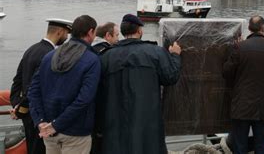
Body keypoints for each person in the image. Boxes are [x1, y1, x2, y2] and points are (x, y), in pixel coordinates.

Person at [98, 14, 181, 154]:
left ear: (123, 32)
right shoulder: (156, 52)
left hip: (115, 122)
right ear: (140, 31)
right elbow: (171, 77)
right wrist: (175, 56)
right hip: (147, 121)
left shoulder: (105, 56)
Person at [28, 15, 100, 154]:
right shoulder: (92, 60)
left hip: (48, 130)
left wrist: (40, 121)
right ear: (91, 32)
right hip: (75, 132)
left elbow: (33, 91)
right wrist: (57, 125)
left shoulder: (49, 56)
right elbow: (84, 99)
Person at [10, 18, 72, 154]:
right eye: (67, 34)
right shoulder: (50, 55)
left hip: (26, 114)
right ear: (60, 32)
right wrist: (22, 107)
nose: (67, 38)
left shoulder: (31, 49)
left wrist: (16, 105)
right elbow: (35, 86)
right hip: (40, 115)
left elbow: (17, 80)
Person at [222, 16, 264, 154]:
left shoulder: (240, 47)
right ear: (263, 28)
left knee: (240, 145)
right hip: (263, 104)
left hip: (241, 104)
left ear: (249, 28)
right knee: (261, 144)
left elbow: (226, 72)